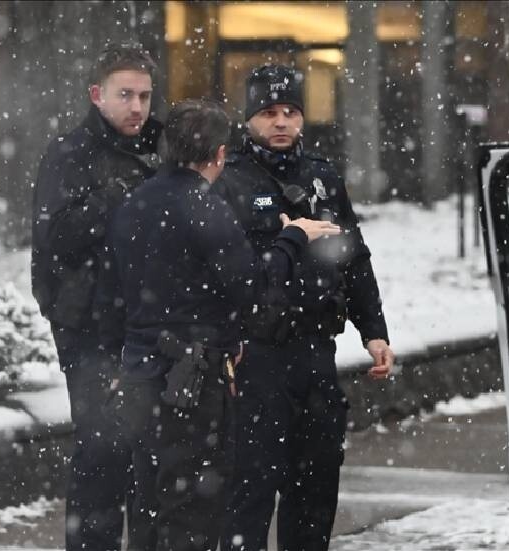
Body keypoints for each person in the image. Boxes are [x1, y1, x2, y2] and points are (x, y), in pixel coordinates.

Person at [96, 99, 341, 551]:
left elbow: (109, 295)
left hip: (139, 376)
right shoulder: (202, 207)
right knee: (193, 511)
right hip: (190, 379)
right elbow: (252, 287)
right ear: (220, 155)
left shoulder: (134, 203)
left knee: (147, 503)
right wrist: (293, 238)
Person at [214, 65, 394, 551]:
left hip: (315, 353)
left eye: (290, 112)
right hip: (256, 357)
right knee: (249, 491)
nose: (280, 122)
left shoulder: (322, 178)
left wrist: (373, 330)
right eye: (268, 113)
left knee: (315, 490)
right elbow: (221, 273)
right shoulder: (228, 182)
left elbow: (354, 259)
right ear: (248, 119)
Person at [30, 43, 160, 551]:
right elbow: (55, 238)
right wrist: (115, 192)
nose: (136, 107)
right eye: (125, 94)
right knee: (102, 455)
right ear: (96, 95)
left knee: (147, 457)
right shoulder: (70, 153)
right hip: (88, 327)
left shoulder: (160, 148)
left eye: (145, 96)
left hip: (147, 323)